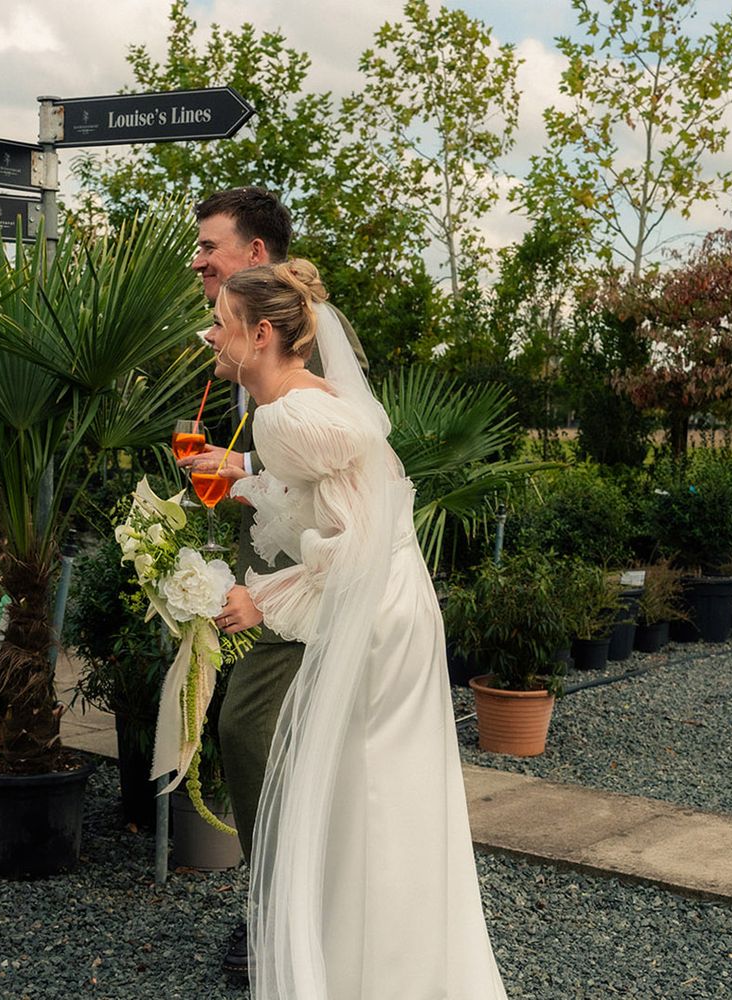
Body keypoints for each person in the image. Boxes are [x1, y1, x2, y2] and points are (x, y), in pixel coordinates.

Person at [194, 259, 509, 999]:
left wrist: (262, 600)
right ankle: (383, 965)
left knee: (367, 792)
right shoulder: (306, 402)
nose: (211, 333)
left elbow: (353, 540)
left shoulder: (281, 417)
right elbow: (324, 484)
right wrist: (240, 469)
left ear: (260, 334)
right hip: (392, 601)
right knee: (379, 789)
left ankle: (377, 977)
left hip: (372, 610)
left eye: (222, 323)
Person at [188, 187, 366, 981]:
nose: (197, 261)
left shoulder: (303, 356)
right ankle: (282, 912)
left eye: (210, 246)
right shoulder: (259, 343)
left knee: (262, 734)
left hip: (324, 584)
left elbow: (349, 490)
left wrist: (270, 591)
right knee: (266, 737)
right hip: (290, 564)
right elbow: (297, 472)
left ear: (253, 257)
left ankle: (284, 918)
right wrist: (243, 473)